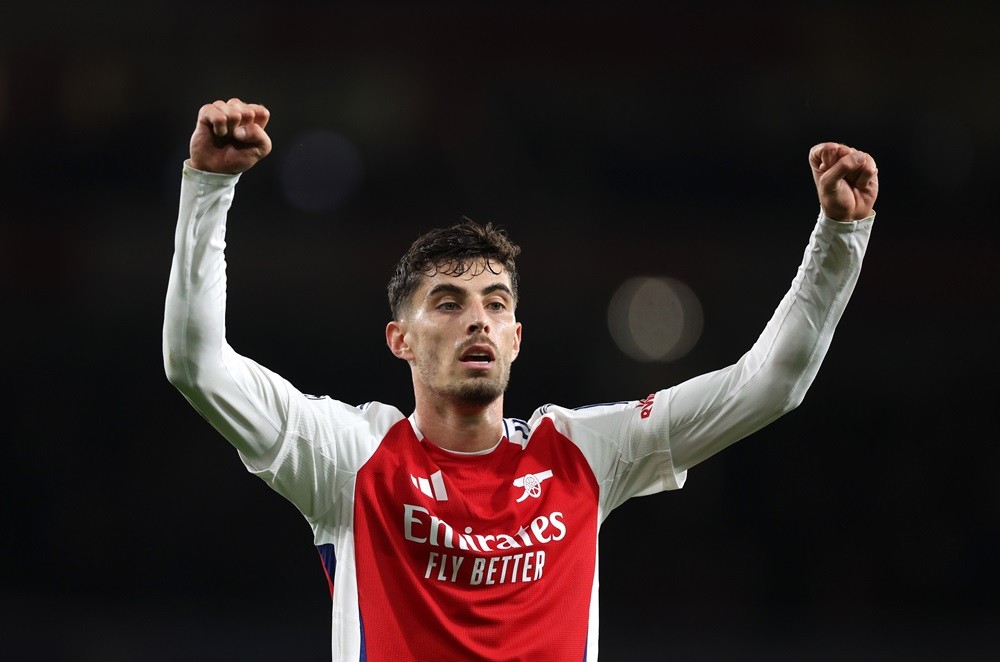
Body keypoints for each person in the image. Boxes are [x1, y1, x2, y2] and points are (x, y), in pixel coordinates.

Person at [163, 97, 878, 661]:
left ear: (516, 338)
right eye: (448, 303)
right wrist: (210, 189)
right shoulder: (350, 457)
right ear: (400, 340)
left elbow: (768, 385)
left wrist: (838, 239)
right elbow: (197, 363)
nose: (477, 320)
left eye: (495, 305)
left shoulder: (583, 453)